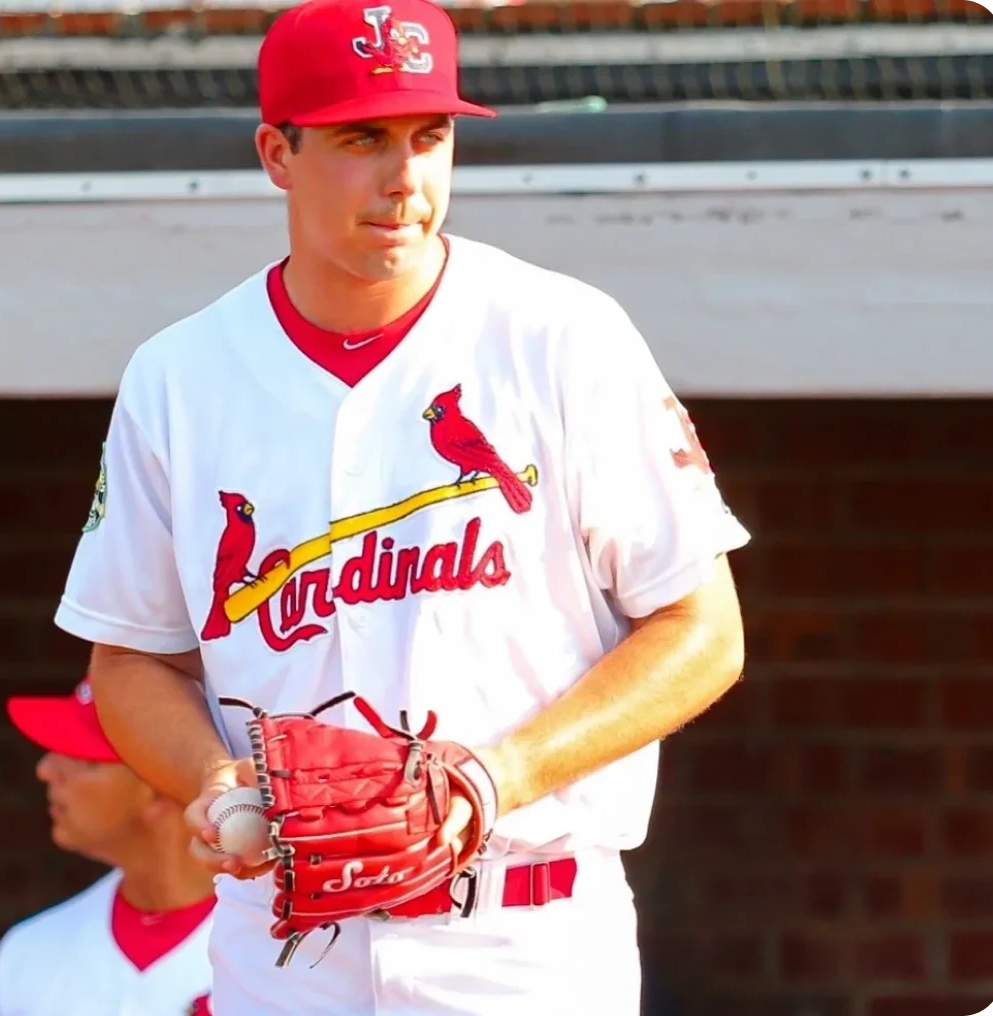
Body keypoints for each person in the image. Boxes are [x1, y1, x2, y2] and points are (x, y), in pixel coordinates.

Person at [51, 0, 751, 1010]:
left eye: (430, 135)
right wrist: (211, 779)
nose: (405, 175)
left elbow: (702, 628)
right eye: (360, 138)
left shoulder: (560, 337)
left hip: (521, 937)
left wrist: (496, 774)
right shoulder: (180, 376)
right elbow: (128, 657)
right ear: (276, 153)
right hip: (284, 947)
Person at [0, 675, 215, 1016]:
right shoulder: (29, 953)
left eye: (83, 757)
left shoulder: (288, 952)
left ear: (161, 782)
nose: (46, 769)